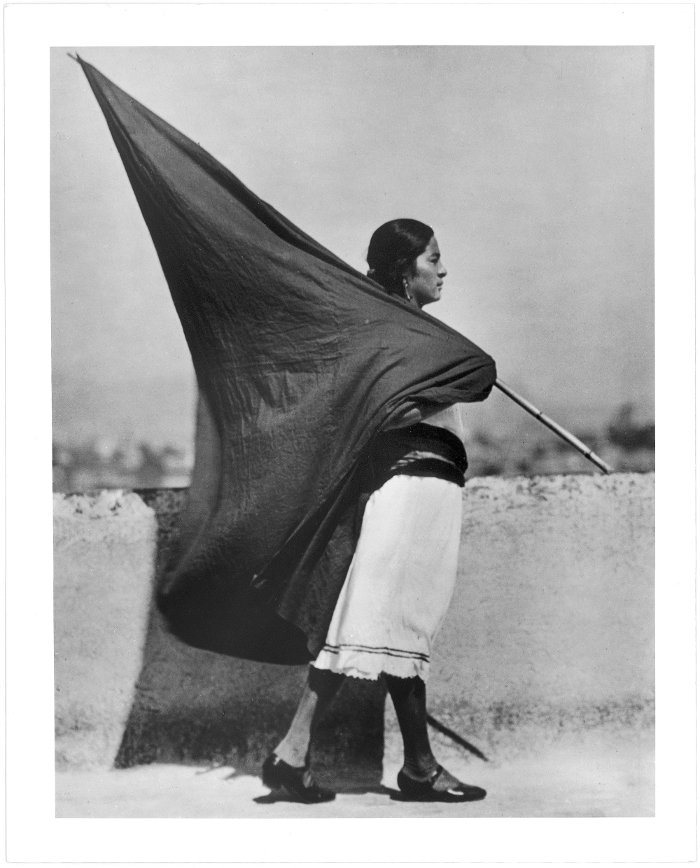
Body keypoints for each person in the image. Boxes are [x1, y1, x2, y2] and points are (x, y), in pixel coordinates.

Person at [261, 219, 494, 804]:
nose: (443, 270)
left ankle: (401, 765)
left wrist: (441, 369)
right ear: (403, 270)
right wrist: (441, 378)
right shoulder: (391, 335)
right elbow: (461, 380)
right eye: (433, 259)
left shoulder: (412, 334)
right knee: (381, 626)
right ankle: (309, 754)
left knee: (381, 628)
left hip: (426, 486)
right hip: (411, 488)